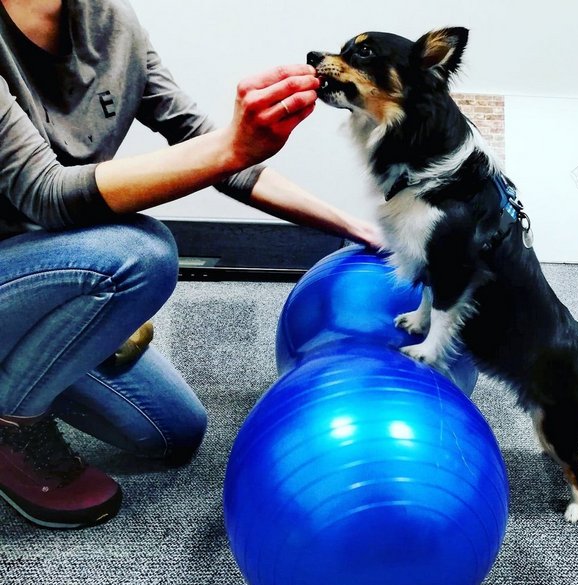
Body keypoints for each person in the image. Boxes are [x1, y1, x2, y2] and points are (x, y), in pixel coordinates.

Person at [0, 0, 380, 530]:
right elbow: (46, 195)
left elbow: (208, 147)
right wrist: (229, 147)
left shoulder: (110, 19)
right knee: (137, 256)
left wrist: (355, 228)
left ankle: (48, 338)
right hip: (17, 267)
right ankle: (11, 423)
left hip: (50, 269)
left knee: (171, 432)